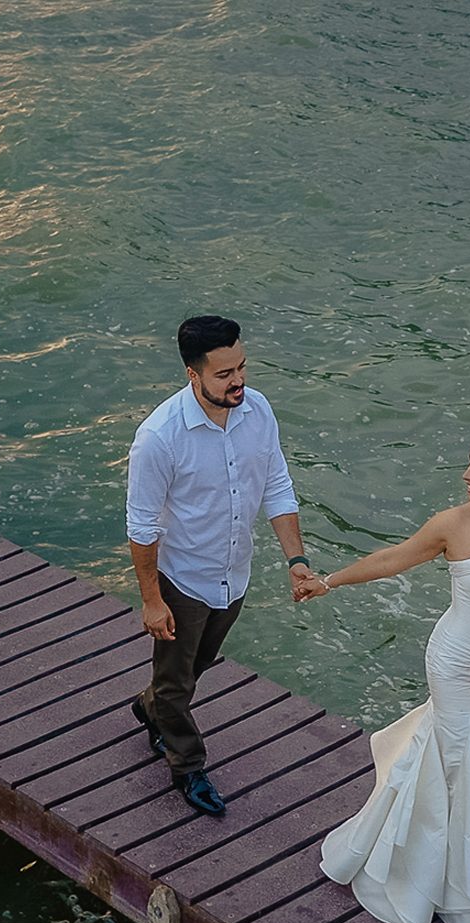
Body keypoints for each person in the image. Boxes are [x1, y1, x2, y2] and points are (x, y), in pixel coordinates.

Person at [295, 425, 470, 923]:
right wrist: (327, 581)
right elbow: (392, 559)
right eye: (469, 463)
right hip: (457, 662)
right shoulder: (453, 524)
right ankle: (441, 876)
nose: (466, 475)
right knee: (461, 757)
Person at [126, 315, 315, 816]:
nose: (239, 381)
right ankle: (187, 766)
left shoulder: (258, 412)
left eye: (242, 367)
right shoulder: (159, 438)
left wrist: (295, 559)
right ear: (193, 374)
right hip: (182, 580)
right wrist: (151, 600)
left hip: (234, 573)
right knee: (176, 681)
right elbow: (142, 526)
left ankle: (151, 708)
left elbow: (277, 483)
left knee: (194, 667)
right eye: (224, 373)